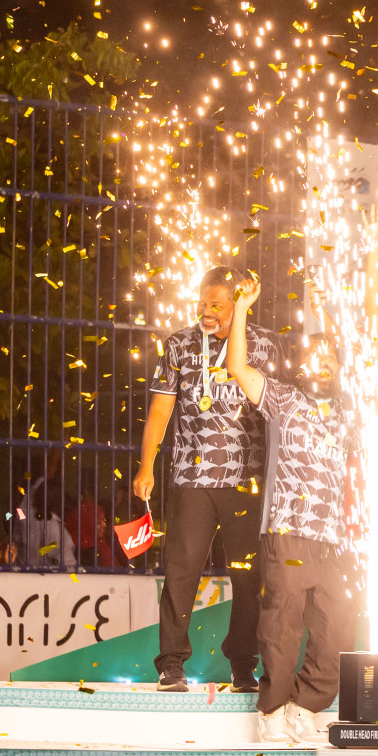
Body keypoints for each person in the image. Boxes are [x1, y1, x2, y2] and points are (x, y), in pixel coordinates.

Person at [225, 277, 360, 744]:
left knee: (335, 626)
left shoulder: (347, 409)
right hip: (287, 529)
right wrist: (242, 308)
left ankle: (306, 705)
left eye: (330, 359)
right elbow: (238, 366)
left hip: (335, 538)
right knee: (281, 625)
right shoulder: (283, 399)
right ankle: (272, 711)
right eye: (313, 357)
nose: (321, 364)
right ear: (300, 366)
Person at [137, 265, 278, 692]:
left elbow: (281, 410)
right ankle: (172, 664)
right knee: (181, 570)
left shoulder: (265, 344)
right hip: (192, 478)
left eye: (217, 304)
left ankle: (242, 664)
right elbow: (161, 410)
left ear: (239, 303)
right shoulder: (178, 343)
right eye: (202, 303)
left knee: (248, 576)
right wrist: (147, 465)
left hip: (245, 480)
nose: (207, 311)